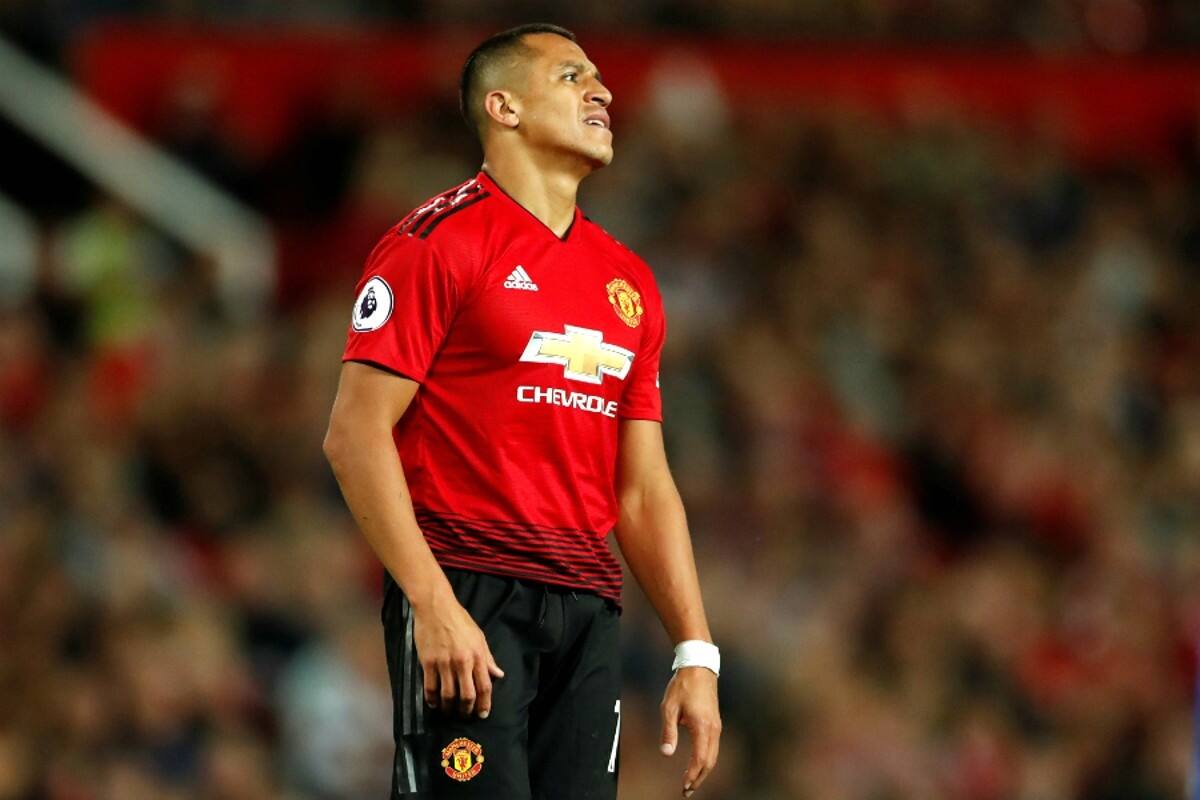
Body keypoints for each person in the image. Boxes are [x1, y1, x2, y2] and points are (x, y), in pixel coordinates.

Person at [323, 23, 721, 799]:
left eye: (599, 78)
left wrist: (695, 652)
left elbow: (642, 487)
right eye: (573, 77)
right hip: (469, 588)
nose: (602, 92)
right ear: (503, 107)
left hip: (588, 608)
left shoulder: (629, 282)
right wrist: (432, 603)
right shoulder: (435, 243)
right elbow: (354, 434)